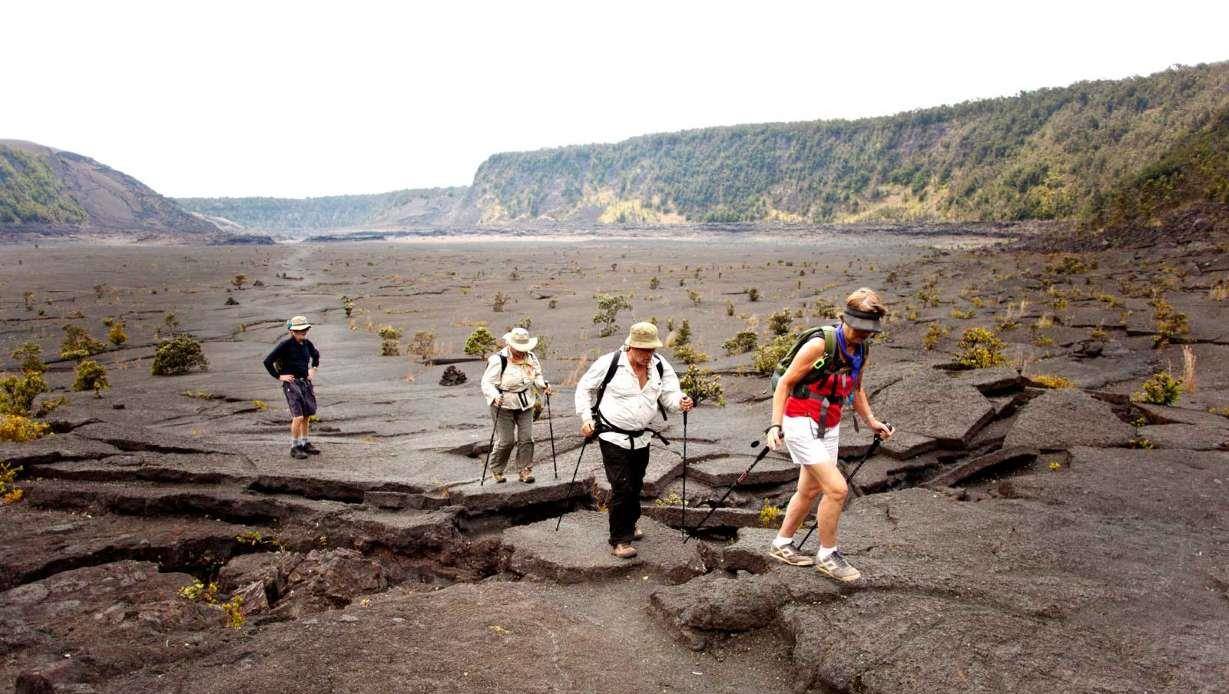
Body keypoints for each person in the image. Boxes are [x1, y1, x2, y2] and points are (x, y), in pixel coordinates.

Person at [764, 288, 893, 582]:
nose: (863, 334)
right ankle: (827, 554)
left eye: (869, 330)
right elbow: (784, 384)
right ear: (845, 319)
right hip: (800, 421)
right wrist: (775, 425)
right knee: (837, 489)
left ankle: (782, 544)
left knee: (809, 491)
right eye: (859, 328)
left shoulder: (861, 349)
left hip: (830, 423)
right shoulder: (820, 345)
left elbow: (856, 388)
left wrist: (871, 420)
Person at [575, 322, 693, 559]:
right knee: (623, 487)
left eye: (651, 350)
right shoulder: (610, 363)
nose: (648, 355)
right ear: (630, 346)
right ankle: (620, 540)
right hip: (612, 435)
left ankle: (630, 522)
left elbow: (669, 395)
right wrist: (587, 418)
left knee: (636, 484)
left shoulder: (659, 365)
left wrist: (681, 402)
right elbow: (583, 388)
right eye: (643, 350)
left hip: (641, 438)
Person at [481, 328, 553, 484]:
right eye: (519, 347)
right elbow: (487, 382)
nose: (522, 351)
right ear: (510, 344)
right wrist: (494, 396)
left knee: (526, 438)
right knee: (507, 440)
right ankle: (497, 469)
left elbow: (537, 376)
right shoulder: (499, 360)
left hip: (525, 402)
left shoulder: (531, 358)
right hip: (503, 403)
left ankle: (524, 470)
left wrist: (543, 386)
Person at [262, 315, 321, 460]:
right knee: (298, 416)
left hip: (305, 383)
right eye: (299, 330)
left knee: (307, 415)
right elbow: (268, 361)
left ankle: (305, 443)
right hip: (292, 384)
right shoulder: (285, 345)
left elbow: (316, 355)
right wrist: (279, 376)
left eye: (304, 329)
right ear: (292, 331)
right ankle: (295, 447)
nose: (303, 332)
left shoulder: (307, 344)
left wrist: (313, 368)